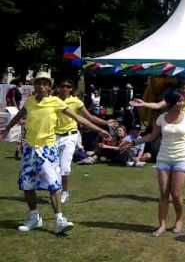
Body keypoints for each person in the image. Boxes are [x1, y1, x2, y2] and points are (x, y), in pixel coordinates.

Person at [0, 71, 111, 234]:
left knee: (53, 185)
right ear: (35, 85)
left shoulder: (56, 102)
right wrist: (7, 128)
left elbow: (79, 118)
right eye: (39, 83)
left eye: (45, 83)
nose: (42, 86)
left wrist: (100, 130)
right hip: (30, 148)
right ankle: (34, 218)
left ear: (50, 87)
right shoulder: (29, 101)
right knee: (27, 185)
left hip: (47, 149)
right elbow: (19, 116)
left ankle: (59, 219)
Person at [120, 88, 185, 236]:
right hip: (164, 158)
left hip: (181, 158)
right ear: (171, 102)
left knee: (176, 194)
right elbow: (151, 136)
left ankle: (179, 220)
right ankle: (162, 225)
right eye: (179, 101)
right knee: (164, 193)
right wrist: (133, 143)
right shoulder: (161, 118)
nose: (182, 103)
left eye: (183, 100)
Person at [55, 79, 115, 203]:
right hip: (54, 136)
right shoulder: (53, 100)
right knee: (53, 166)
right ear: (58, 87)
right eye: (62, 86)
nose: (65, 88)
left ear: (71, 89)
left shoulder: (76, 102)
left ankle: (64, 192)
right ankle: (56, 189)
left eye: (68, 86)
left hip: (70, 136)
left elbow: (89, 117)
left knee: (64, 165)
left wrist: (105, 123)